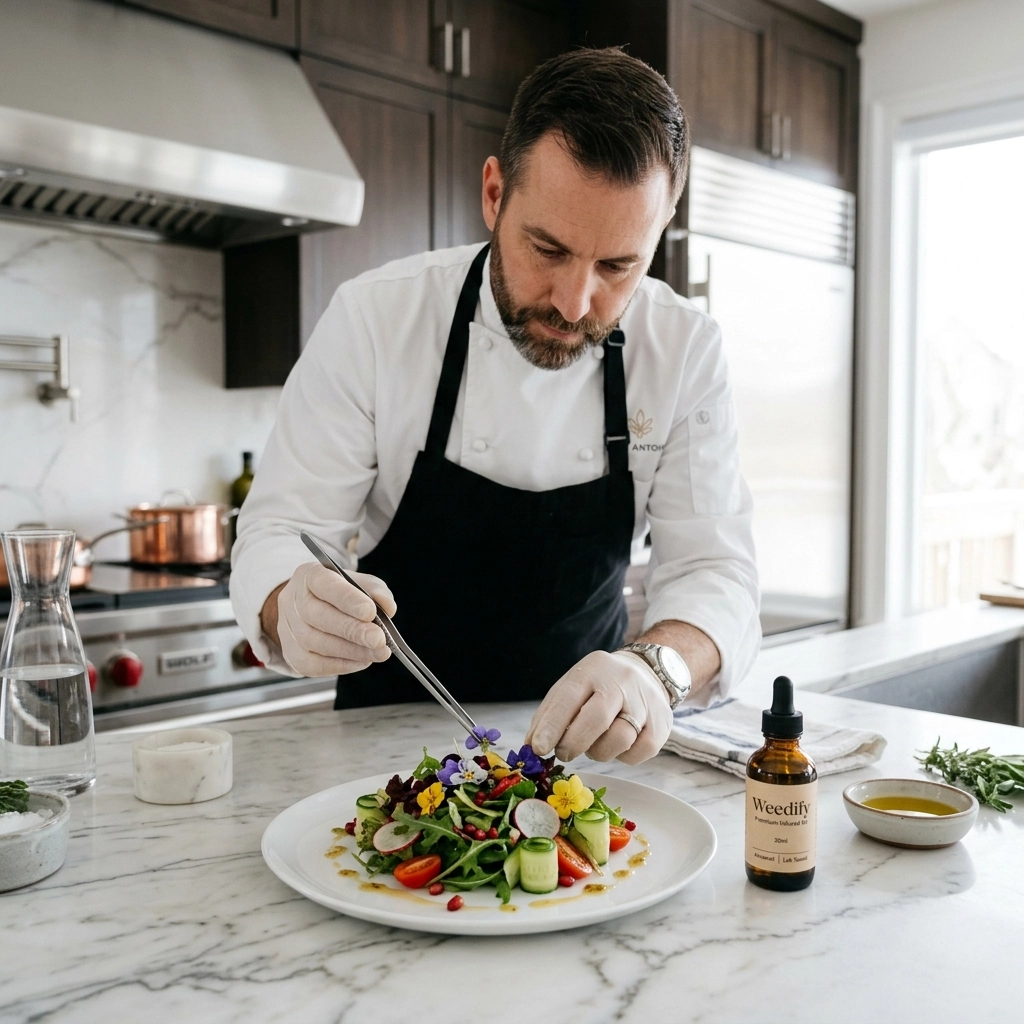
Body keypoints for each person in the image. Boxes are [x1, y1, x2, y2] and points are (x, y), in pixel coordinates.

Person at [230, 47, 760, 766]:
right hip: (378, 759)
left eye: (616, 266)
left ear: (661, 228)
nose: (575, 303)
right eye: (547, 248)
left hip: (588, 760)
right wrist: (289, 605)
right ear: (493, 194)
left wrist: (652, 671)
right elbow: (284, 529)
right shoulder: (376, 319)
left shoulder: (684, 349)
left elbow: (716, 572)